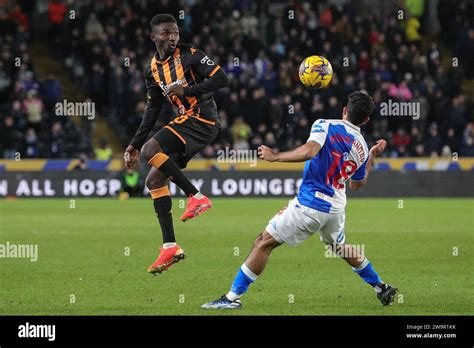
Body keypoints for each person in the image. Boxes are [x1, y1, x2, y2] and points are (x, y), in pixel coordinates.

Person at [202, 91, 398, 309]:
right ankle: (381, 286)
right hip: (335, 209)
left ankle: (231, 299)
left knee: (263, 242)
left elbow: (310, 150)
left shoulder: (325, 125)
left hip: (311, 204)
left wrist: (276, 156)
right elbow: (357, 184)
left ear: (344, 110)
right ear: (366, 120)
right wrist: (372, 155)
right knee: (340, 246)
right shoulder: (361, 146)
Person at [123, 14, 229, 274]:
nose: (172, 37)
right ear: (153, 37)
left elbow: (221, 79)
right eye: (166, 33)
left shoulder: (191, 55)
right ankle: (170, 246)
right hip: (188, 123)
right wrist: (134, 144)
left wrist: (187, 92)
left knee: (152, 150)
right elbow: (153, 108)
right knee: (153, 181)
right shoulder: (152, 69)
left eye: (175, 33)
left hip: (202, 119)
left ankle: (196, 196)